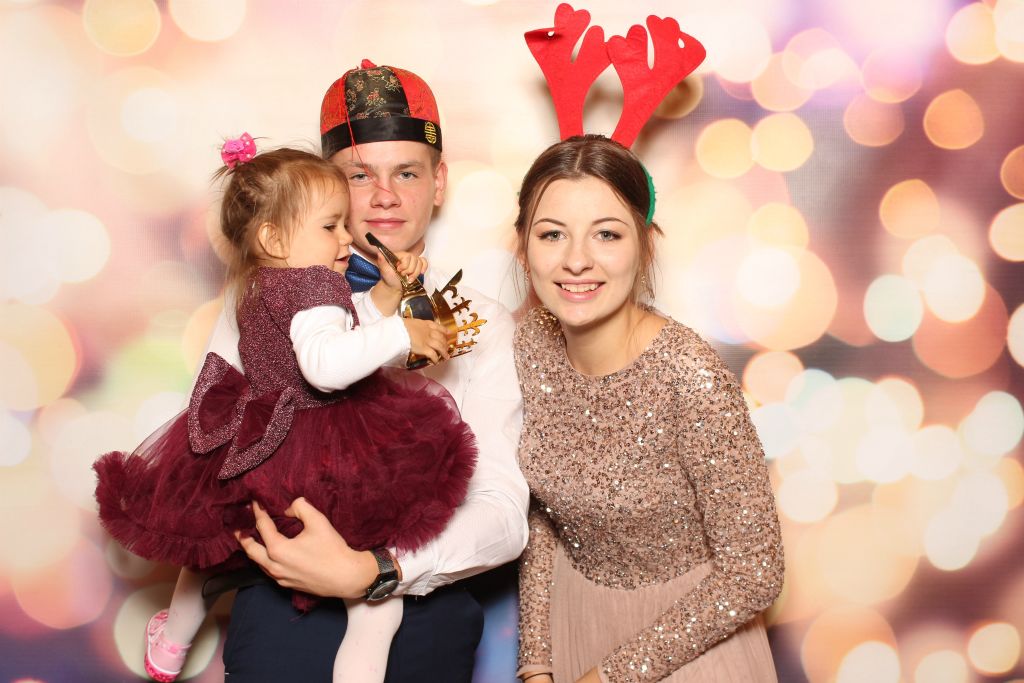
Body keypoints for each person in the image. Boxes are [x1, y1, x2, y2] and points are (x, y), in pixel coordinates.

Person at [93, 143, 479, 683]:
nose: (346, 238)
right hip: (322, 451)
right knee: (377, 610)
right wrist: (402, 332)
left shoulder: (258, 283)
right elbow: (326, 364)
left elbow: (342, 326)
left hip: (262, 441)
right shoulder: (317, 284)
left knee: (214, 541)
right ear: (275, 239)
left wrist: (386, 297)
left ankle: (171, 642)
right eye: (330, 226)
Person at [201, 62, 529, 682]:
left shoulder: (479, 320)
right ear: (326, 185)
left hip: (422, 607)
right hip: (280, 593)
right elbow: (212, 438)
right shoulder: (266, 296)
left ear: (438, 183)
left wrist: (376, 570)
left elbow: (505, 514)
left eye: (406, 172)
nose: (384, 196)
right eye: (359, 175)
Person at [512, 135, 785, 683]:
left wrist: (612, 676)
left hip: (688, 646)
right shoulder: (528, 344)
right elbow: (541, 512)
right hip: (576, 626)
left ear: (645, 245)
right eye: (552, 234)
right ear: (523, 247)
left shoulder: (690, 375)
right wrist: (537, 661)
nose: (576, 260)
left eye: (607, 234)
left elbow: (755, 572)